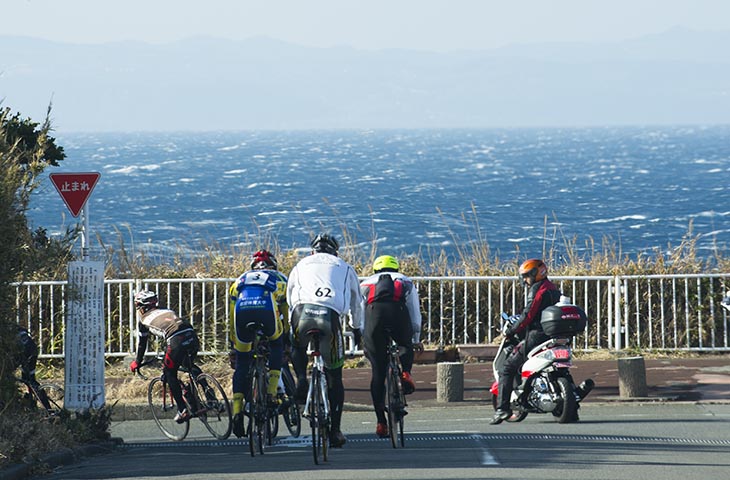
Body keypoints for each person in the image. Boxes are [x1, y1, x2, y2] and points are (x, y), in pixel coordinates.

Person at [286, 233, 364, 448]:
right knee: (334, 376)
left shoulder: (300, 265)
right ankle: (335, 431)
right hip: (329, 318)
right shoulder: (344, 266)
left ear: (312, 251)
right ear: (335, 252)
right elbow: (357, 302)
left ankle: (301, 379)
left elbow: (289, 295)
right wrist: (357, 329)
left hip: (301, 313)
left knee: (296, 345)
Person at [490, 258, 561, 425]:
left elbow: (528, 315)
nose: (525, 280)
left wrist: (512, 329)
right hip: (553, 336)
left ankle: (502, 409)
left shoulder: (538, 290)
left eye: (528, 275)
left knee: (507, 369)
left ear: (537, 273)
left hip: (536, 336)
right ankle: (571, 409)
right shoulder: (553, 289)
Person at [359, 254, 424, 438]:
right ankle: (405, 373)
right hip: (398, 313)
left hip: (374, 316)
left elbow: (358, 312)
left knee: (378, 373)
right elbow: (414, 311)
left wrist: (365, 336)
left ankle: (381, 422)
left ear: (375, 269)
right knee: (405, 345)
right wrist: (415, 338)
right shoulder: (405, 281)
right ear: (396, 268)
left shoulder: (365, 283)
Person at [228, 249, 288, 438]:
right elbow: (285, 308)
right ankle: (271, 393)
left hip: (242, 314)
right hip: (266, 311)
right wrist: (286, 336)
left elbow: (231, 315)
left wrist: (233, 344)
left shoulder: (239, 280)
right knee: (277, 345)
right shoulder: (280, 278)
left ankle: (237, 410)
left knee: (243, 361)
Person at [129, 290, 202, 424]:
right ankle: (210, 397)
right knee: (188, 364)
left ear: (141, 307)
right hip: (191, 334)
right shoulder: (166, 311)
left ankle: (182, 410)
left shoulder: (143, 321)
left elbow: (142, 345)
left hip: (176, 340)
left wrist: (137, 362)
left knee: (169, 373)